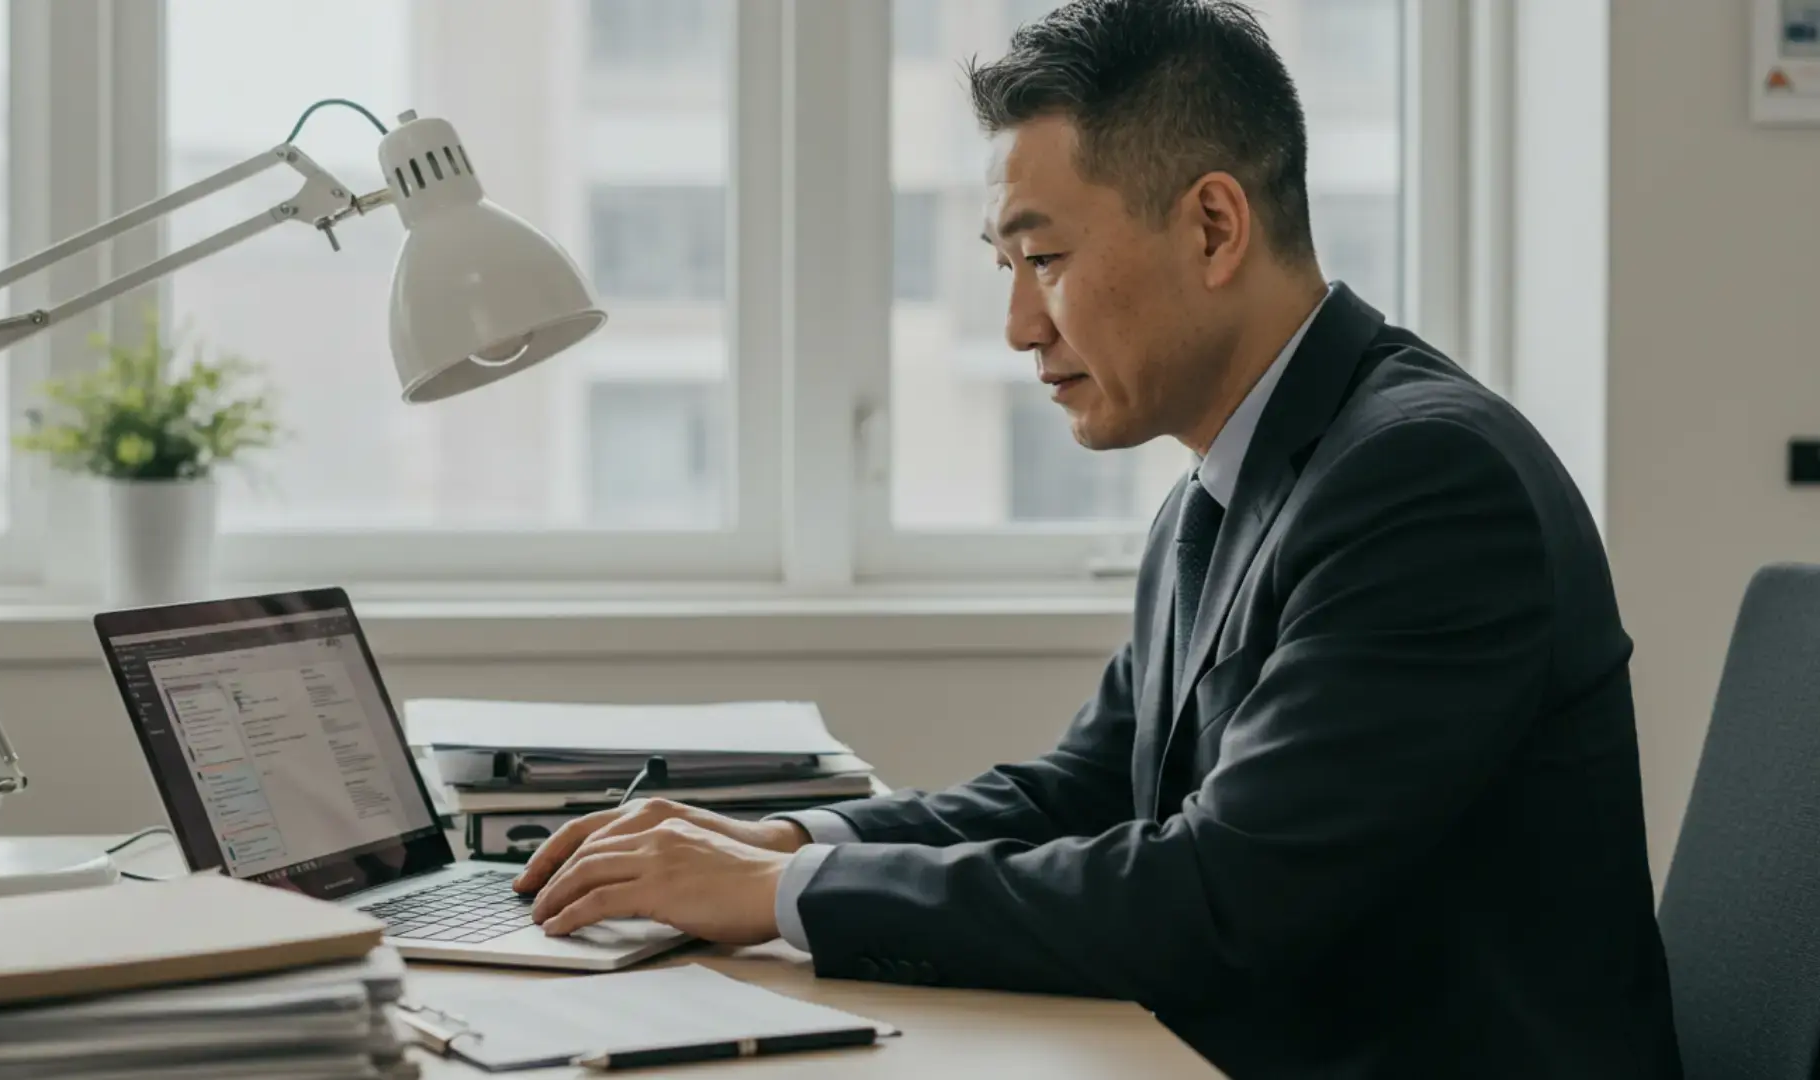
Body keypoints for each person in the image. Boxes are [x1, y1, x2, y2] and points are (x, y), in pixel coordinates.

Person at [514, 1, 1683, 1075]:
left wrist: (781, 893)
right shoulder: (1232, 477)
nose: (1021, 324)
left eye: (1047, 259)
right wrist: (777, 840)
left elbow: (1217, 897)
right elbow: (1082, 791)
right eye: (1003, 265)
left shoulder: (1425, 482)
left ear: (1214, 226)